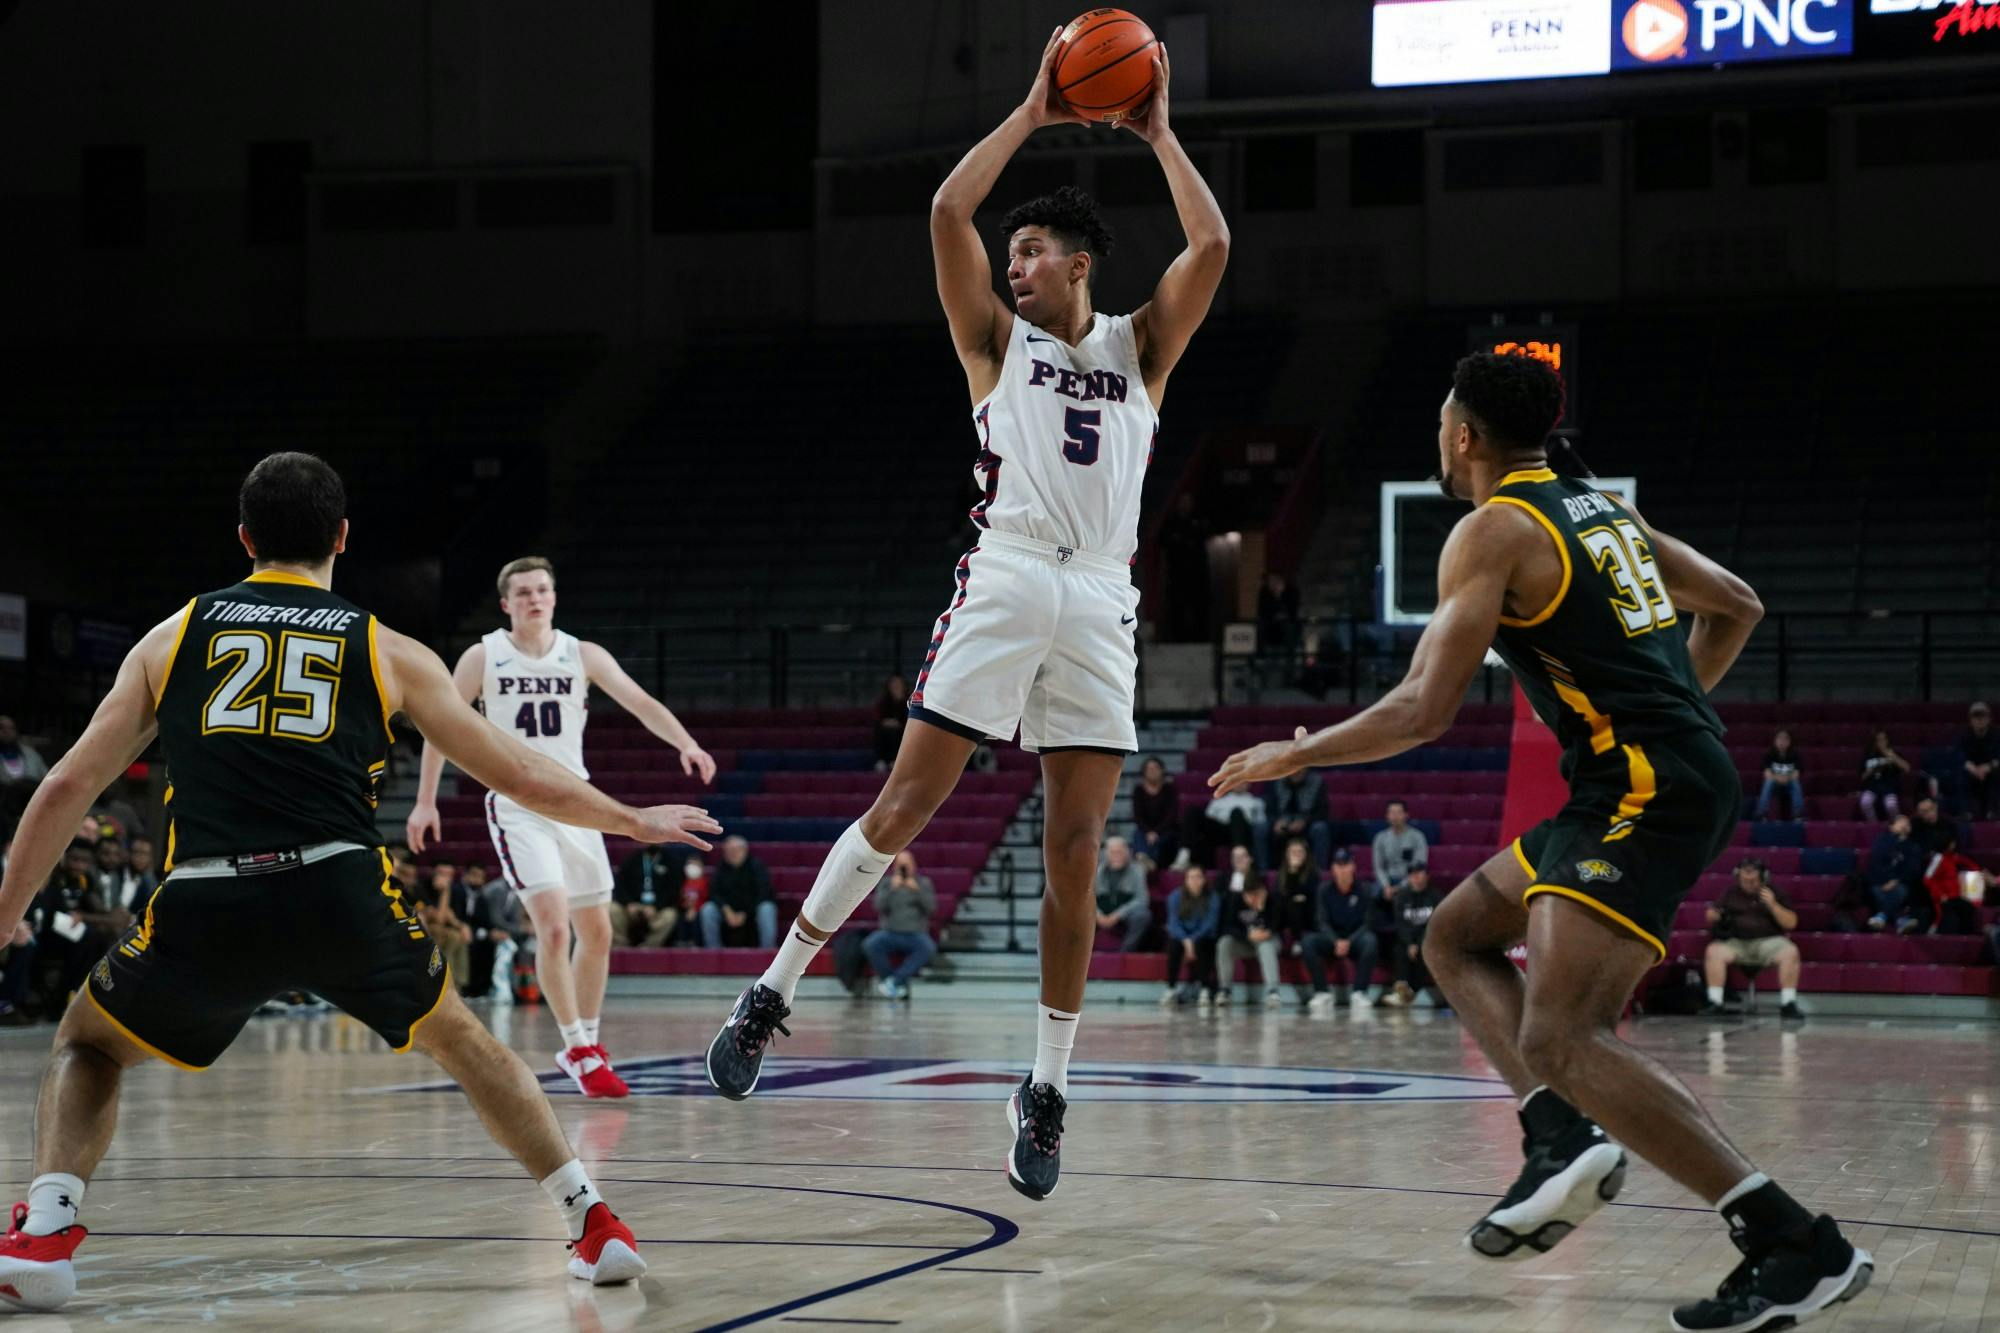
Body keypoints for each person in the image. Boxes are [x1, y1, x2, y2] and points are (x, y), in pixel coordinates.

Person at [1208, 352, 1869, 1327]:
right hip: (1633, 776)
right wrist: (1671, 710)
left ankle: (1793, 1242)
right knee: (1453, 934)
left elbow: (1421, 709)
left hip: (1642, 785)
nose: (1437, 435)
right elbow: (1736, 601)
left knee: (1558, 1033)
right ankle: (1559, 1140)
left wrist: (1293, 754)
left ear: (1464, 436)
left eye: (1441, 420)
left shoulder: (1491, 530)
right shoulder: (1599, 507)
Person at [702, 28, 1228, 1211]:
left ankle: (1042, 1087)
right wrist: (1034, 111)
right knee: (904, 805)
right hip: (1006, 574)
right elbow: (945, 210)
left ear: (1081, 262)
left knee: (1076, 856)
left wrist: (1155, 133)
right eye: (1013, 252)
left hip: (1099, 592)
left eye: (1033, 250)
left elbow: (1213, 242)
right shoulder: (990, 343)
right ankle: (773, 988)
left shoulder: (1140, 345)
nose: (1015, 264)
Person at [0, 453, 724, 1310]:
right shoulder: (387, 647)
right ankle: (592, 1218)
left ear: (244, 539)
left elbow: (64, 786)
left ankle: (46, 1230)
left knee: (87, 1041)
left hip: (206, 896)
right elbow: (519, 773)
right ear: (343, 537)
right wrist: (634, 820)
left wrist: (6, 915)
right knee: (465, 1041)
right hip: (340, 889)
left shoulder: (173, 635)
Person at [407, 555, 715, 1100]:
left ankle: (590, 1043)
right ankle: (574, 1046)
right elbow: (438, 725)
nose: (534, 598)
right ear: (506, 604)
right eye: (523, 592)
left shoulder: (581, 653)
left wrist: (685, 743)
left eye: (542, 589)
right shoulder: (484, 655)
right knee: (551, 925)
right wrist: (425, 800)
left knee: (597, 932)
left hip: (577, 801)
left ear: (553, 596)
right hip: (517, 804)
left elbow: (640, 701)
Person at [1701, 859, 1803, 1020]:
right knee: (1713, 951)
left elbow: (1791, 923)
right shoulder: (1730, 892)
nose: (1748, 883)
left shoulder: (1775, 893)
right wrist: (1714, 916)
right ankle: (1715, 1002)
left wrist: (1773, 905)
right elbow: (1710, 914)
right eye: (1744, 880)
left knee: (1790, 952)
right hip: (1737, 942)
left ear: (1763, 877)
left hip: (1768, 942)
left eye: (1753, 880)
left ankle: (1788, 1003)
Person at [1301, 848, 1379, 1011]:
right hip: (1332, 939)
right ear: (1333, 869)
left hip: (1355, 939)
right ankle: (1322, 992)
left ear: (1353, 867)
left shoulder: (1364, 889)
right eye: (1339, 865)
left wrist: (1348, 942)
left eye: (1346, 864)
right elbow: (1321, 922)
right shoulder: (1324, 890)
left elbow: (1368, 922)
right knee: (1308, 941)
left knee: (1371, 941)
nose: (1342, 869)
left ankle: (1359, 992)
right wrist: (1335, 941)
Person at [862, 851, 937, 999]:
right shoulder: (886, 883)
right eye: (901, 864)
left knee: (928, 948)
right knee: (870, 944)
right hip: (890, 932)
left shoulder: (923, 883)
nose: (904, 867)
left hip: (915, 933)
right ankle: (890, 981)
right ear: (895, 866)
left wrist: (916, 891)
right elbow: (878, 907)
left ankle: (895, 982)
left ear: (913, 866)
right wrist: (892, 890)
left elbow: (931, 908)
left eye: (907, 864)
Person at [1379, 865, 1445, 1009]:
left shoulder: (1436, 896)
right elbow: (1401, 924)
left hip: (1428, 939)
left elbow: (1435, 924)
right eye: (1412, 874)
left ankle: (1410, 991)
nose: (1415, 877)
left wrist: (1419, 943)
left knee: (1425, 952)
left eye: (1419, 873)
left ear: (1427, 876)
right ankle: (1401, 986)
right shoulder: (1402, 896)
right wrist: (1410, 943)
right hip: (1408, 939)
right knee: (1399, 948)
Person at [1216, 870, 1281, 1008]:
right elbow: (1227, 927)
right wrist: (1247, 935)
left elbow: (1279, 925)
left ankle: (1273, 992)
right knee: (1224, 943)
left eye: (1256, 895)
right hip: (1246, 943)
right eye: (1248, 895)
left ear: (1262, 891)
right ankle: (1225, 990)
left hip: (1269, 942)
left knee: (1266, 946)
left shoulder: (1273, 900)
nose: (1252, 899)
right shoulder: (1235, 899)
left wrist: (1261, 910)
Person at [699, 835, 777, 948]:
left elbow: (764, 893)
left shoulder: (756, 866)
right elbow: (714, 893)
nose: (731, 854)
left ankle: (768, 951)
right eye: (728, 851)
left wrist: (745, 913)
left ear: (744, 850)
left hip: (752, 910)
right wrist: (727, 911)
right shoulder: (721, 868)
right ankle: (713, 951)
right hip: (728, 912)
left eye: (735, 850)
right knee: (708, 910)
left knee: (767, 908)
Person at [1160, 864, 1220, 1007]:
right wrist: (1186, 940)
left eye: (1198, 877)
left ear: (1204, 880)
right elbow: (1173, 924)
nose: (1194, 881)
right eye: (1191, 877)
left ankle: (1204, 988)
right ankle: (1171, 988)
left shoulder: (1213, 898)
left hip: (1204, 937)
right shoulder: (1175, 897)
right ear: (1185, 880)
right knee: (1173, 945)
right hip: (1183, 937)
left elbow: (1210, 924)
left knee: (1202, 945)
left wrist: (1193, 940)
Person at [611, 842, 682, 948]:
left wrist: (657, 907)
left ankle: (649, 947)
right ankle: (620, 947)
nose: (653, 842)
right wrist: (628, 903)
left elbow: (673, 891)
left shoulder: (672, 862)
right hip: (632, 906)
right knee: (612, 909)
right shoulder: (632, 860)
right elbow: (620, 885)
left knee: (670, 915)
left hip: (657, 908)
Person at [1864, 815, 1928, 933]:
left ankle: (1882, 915)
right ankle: (1900, 919)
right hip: (1880, 881)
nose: (1904, 825)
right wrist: (1887, 881)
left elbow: (1913, 869)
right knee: (1878, 891)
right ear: (1891, 826)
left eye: (1907, 823)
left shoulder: (1914, 846)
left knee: (1901, 891)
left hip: (1901, 883)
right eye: (1900, 822)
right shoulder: (1881, 840)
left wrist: (1895, 880)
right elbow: (1876, 862)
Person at [1092, 836, 1152, 953]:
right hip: (1100, 913)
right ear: (1106, 854)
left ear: (1127, 852)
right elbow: (1087, 899)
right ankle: (1082, 954)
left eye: (1120, 851)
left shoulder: (1137, 870)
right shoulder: (1096, 872)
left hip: (1126, 914)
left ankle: (1125, 952)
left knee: (1143, 915)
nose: (1116, 855)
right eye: (1113, 852)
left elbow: (1142, 899)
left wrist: (1118, 915)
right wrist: (1098, 914)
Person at [1923, 834, 1991, 935]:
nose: (1954, 845)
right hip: (1943, 898)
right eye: (1952, 843)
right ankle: (1933, 934)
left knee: (1969, 910)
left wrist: (1977, 870)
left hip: (1955, 896)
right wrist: (1940, 895)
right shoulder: (1938, 859)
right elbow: (1927, 879)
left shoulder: (1951, 857)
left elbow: (1964, 861)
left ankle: (1965, 937)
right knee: (1946, 919)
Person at [1269, 769, 1332, 871]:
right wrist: (1276, 822)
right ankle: (1271, 870)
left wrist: (1305, 822)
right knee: (1263, 827)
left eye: (1299, 770)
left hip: (1308, 825)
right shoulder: (1277, 781)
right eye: (1293, 769)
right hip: (1283, 824)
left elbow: (1323, 812)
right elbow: (1269, 809)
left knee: (1320, 828)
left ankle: (1320, 870)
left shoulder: (1316, 782)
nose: (1296, 772)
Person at [1130, 755, 1180, 871]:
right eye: (1148, 769)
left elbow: (1171, 815)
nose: (1152, 771)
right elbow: (1137, 816)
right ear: (1144, 772)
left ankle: (1148, 861)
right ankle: (1144, 858)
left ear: (1162, 770)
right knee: (1138, 834)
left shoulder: (1169, 789)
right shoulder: (1138, 790)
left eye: (1155, 768)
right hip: (1145, 830)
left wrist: (1156, 832)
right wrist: (1148, 832)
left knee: (1164, 838)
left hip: (1166, 829)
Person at [1370, 799, 1427, 890]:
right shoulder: (1380, 838)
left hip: (1410, 881)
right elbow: (1378, 867)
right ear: (1387, 816)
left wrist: (1401, 887)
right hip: (1387, 881)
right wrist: (1386, 886)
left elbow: (1419, 866)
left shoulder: (1417, 837)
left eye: (1399, 812)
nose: (1395, 816)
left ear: (1406, 815)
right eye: (1392, 812)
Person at [1857, 728, 1911, 822]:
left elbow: (1907, 768)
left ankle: (1895, 824)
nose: (1881, 742)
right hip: (1872, 787)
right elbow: (1862, 777)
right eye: (1878, 740)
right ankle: (1873, 824)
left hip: (1889, 787)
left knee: (1891, 805)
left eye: (1884, 739)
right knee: (1865, 802)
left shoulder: (1893, 753)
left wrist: (1893, 757)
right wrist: (1870, 771)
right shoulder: (1869, 755)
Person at [1757, 728, 1805, 821]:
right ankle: (1762, 812)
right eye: (1779, 738)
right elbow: (1767, 774)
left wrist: (1786, 778)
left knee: (1795, 782)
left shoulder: (1796, 755)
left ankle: (1798, 813)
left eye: (1785, 739)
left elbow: (1796, 774)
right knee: (1768, 782)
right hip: (1774, 784)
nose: (1782, 742)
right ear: (1774, 741)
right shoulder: (1769, 755)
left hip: (1789, 784)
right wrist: (1778, 778)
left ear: (1790, 741)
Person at [1959, 701, 1995, 820]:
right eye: (1976, 716)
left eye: (1982, 716)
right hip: (1971, 771)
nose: (1979, 720)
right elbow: (1959, 755)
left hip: (1991, 772)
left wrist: (1988, 767)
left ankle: (1993, 812)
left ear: (1989, 718)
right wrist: (1972, 768)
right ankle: (1967, 812)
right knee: (1961, 775)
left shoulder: (1996, 735)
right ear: (1971, 719)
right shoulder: (1964, 736)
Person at [873, 674, 909, 771]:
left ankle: (895, 760)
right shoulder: (883, 701)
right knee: (883, 731)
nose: (896, 687)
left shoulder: (909, 700)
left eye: (898, 684)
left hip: (902, 729)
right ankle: (881, 760)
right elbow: (878, 718)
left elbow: (911, 718)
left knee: (899, 733)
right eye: (894, 684)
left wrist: (901, 702)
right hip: (885, 730)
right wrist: (886, 722)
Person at [0, 716, 48, 785]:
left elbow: (46, 778)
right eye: (1, 728)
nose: (7, 731)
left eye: (11, 728)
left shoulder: (31, 754)